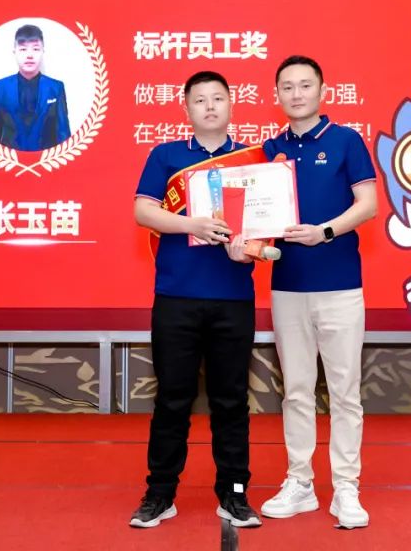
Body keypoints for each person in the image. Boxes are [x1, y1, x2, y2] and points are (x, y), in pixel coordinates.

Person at [129, 70, 265, 530]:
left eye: (217, 98)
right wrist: (193, 225)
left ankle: (235, 494)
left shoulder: (253, 160)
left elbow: (266, 224)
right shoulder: (165, 155)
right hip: (176, 298)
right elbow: (143, 210)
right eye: (200, 99)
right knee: (172, 399)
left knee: (232, 401)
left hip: (233, 298)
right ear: (186, 107)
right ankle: (159, 494)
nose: (209, 106)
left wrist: (249, 247)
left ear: (231, 104)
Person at [259, 55, 378, 529]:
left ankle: (346, 487)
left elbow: (368, 204)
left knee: (345, 391)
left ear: (323, 91)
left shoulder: (347, 140)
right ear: (277, 95)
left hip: (340, 285)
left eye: (305, 85)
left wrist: (324, 232)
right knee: (296, 390)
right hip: (287, 286)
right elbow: (255, 212)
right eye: (287, 87)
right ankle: (300, 482)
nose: (296, 94)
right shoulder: (268, 150)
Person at [0, 23, 71, 152]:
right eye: (23, 49)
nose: (29, 55)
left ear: (43, 52)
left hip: (46, 161)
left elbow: (63, 136)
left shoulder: (56, 88)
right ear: (15, 52)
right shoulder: (0, 87)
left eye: (35, 49)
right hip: (10, 161)